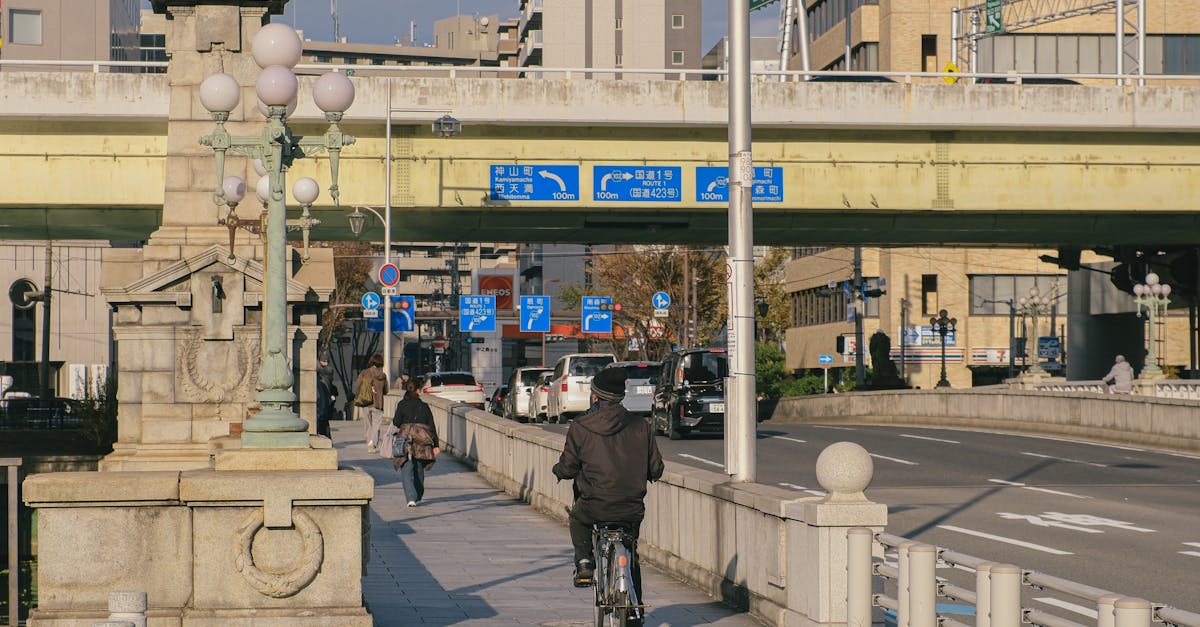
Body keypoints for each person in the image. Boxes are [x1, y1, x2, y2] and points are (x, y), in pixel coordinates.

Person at [552, 367, 664, 626]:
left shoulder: (580, 427)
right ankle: (635, 612)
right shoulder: (641, 426)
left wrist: (558, 471)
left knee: (578, 519)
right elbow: (656, 469)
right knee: (631, 552)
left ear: (595, 396)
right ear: (621, 396)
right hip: (631, 507)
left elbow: (568, 468)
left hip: (594, 506)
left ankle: (584, 562)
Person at [392, 379, 440, 507]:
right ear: (418, 390)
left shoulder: (402, 404)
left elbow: (396, 422)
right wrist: (436, 445)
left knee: (406, 468)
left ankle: (410, 498)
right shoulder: (424, 406)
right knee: (419, 468)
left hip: (405, 439)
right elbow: (431, 426)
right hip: (421, 440)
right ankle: (418, 495)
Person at [354, 354, 389, 453]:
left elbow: (357, 387)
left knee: (368, 424)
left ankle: (369, 440)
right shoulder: (382, 375)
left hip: (365, 402)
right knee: (376, 425)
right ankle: (373, 443)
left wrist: (358, 394)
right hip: (378, 403)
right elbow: (386, 390)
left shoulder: (364, 373)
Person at [315, 353, 336, 438]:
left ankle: (324, 434)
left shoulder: (328, 370)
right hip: (322, 393)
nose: (324, 363)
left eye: (325, 361)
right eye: (322, 361)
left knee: (323, 415)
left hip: (325, 393)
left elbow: (319, 368)